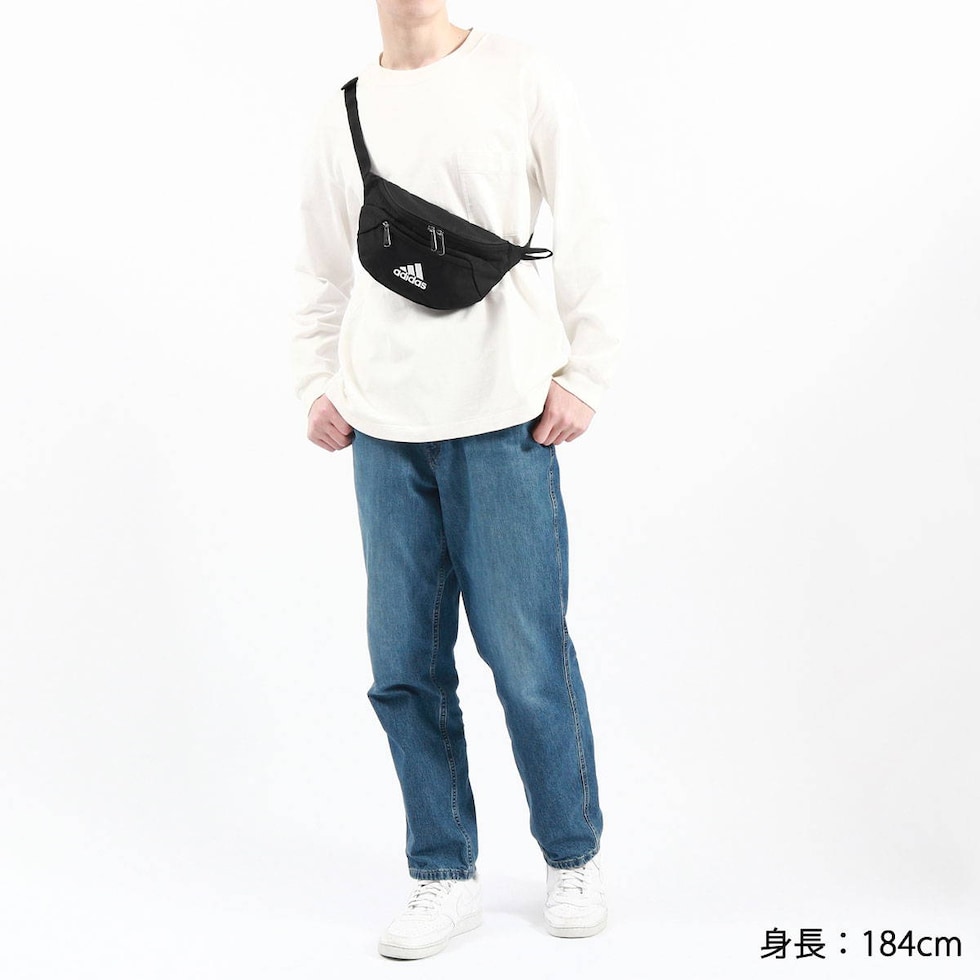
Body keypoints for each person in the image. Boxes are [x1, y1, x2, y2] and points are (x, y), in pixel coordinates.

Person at [290, 0, 622, 960]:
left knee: (527, 658)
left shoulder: (521, 73)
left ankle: (572, 854)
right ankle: (442, 874)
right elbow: (319, 270)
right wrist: (316, 383)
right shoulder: (344, 108)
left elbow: (591, 225)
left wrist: (586, 374)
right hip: (382, 428)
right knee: (403, 667)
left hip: (506, 414)